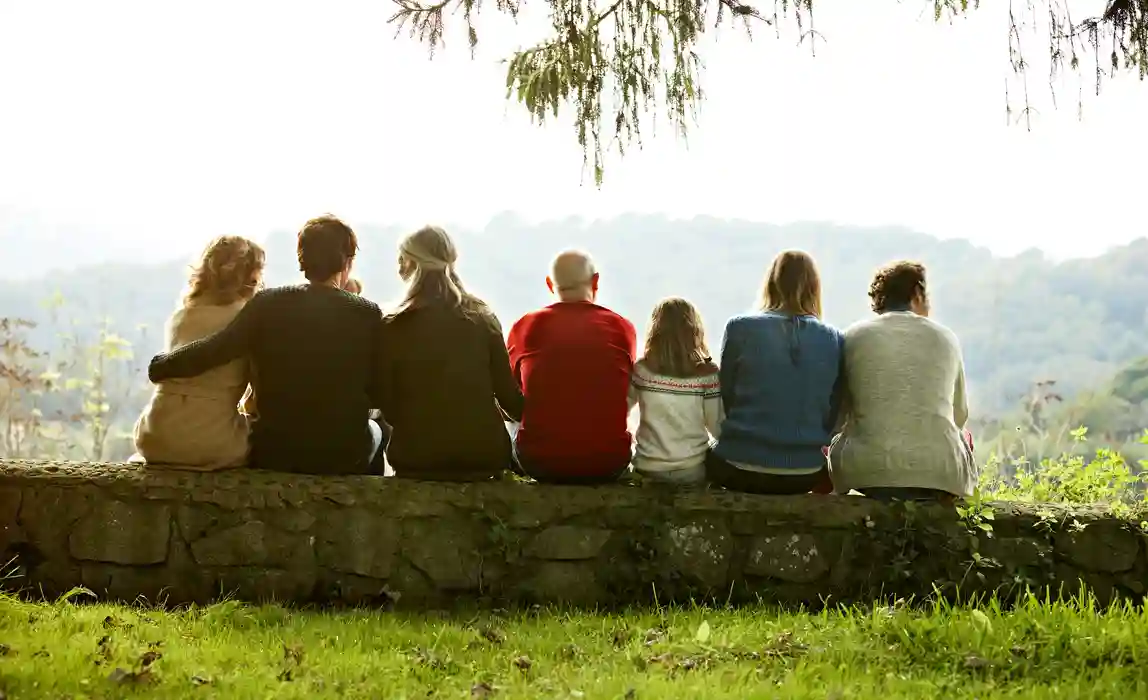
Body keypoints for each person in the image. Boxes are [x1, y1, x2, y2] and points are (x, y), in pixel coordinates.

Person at [147, 214, 387, 474]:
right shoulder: (366, 313)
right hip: (340, 455)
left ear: (302, 260)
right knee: (377, 429)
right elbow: (378, 388)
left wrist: (161, 365)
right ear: (347, 262)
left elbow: (216, 349)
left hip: (274, 452)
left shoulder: (267, 303)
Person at [377, 225, 523, 480]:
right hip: (482, 455)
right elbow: (510, 400)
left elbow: (385, 401)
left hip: (415, 456)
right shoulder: (482, 317)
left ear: (408, 263)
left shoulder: (392, 323)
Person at [828, 260, 977, 502]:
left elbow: (839, 415)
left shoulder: (853, 336)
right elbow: (959, 414)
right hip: (940, 474)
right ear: (917, 293)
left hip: (866, 473)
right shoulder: (946, 337)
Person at [707, 250, 843, 495]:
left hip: (737, 467)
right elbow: (832, 412)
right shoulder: (833, 339)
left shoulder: (739, 327)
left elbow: (726, 396)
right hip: (806, 473)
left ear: (771, 283)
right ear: (814, 288)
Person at [133, 236, 264, 469]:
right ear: (251, 276)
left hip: (154, 436)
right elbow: (256, 395)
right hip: (210, 443)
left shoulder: (179, 317)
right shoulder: (247, 320)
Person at [506, 250, 637, 484]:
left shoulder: (525, 326)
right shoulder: (622, 328)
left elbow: (509, 398)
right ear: (596, 281)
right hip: (607, 462)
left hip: (539, 463)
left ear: (549, 284)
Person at [628, 297, 723, 485]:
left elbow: (622, 410)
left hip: (647, 467)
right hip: (692, 470)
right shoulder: (708, 374)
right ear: (695, 331)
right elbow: (717, 427)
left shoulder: (642, 370)